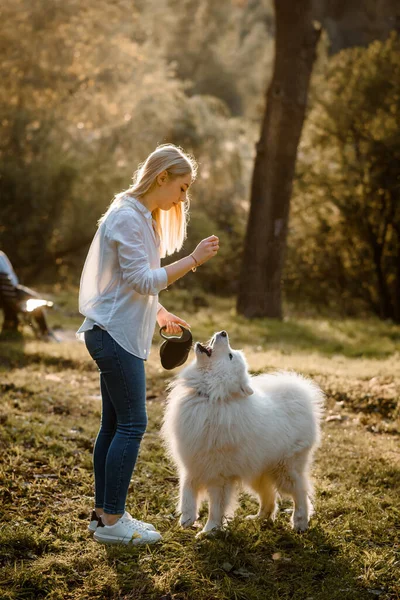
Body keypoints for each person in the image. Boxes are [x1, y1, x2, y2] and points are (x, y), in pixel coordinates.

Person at [77, 144, 219, 546]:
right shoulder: (126, 216)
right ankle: (113, 522)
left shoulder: (139, 216)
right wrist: (192, 260)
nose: (183, 197)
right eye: (182, 187)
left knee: (113, 424)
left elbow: (128, 281)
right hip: (112, 335)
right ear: (162, 178)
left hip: (116, 331)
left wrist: (160, 312)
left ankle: (103, 515)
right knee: (133, 423)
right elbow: (142, 279)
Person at [0, 250, 56, 340]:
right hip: (12, 293)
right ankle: (45, 332)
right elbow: (9, 283)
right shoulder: (1, 256)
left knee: (36, 298)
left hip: (10, 293)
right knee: (37, 302)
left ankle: (45, 332)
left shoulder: (1, 255)